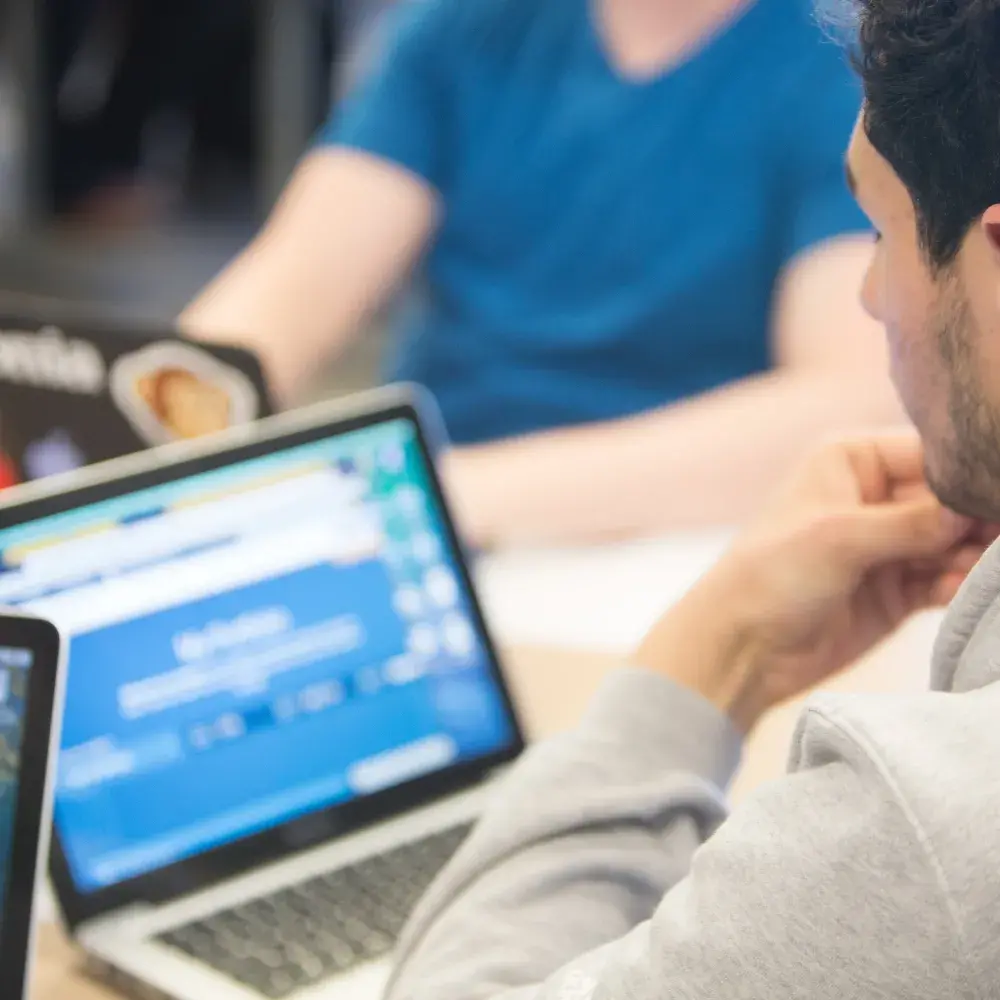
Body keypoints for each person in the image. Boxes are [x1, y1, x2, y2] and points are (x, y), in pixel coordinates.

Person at [376, 2, 1000, 997]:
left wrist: (710, 653)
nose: (873, 294)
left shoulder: (939, 822)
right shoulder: (461, 34)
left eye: (880, 231)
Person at [181, 0, 903, 547]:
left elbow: (842, 405)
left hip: (679, 533)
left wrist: (433, 496)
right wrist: (139, 422)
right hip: (439, 520)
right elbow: (280, 299)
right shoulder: (464, 29)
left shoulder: (832, 64)